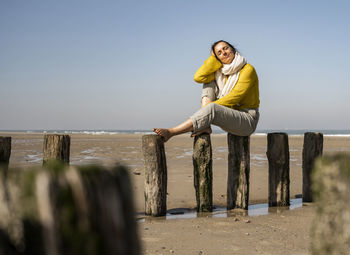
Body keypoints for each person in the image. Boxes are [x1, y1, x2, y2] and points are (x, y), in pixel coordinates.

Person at [153, 40, 260, 142]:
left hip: (247, 120)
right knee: (208, 82)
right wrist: (213, 60)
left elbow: (234, 98)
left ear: (233, 49)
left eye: (226, 48)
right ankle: (205, 124)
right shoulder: (220, 73)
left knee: (212, 108)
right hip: (228, 116)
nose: (224, 53)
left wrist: (207, 110)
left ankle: (171, 132)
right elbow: (199, 77)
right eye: (219, 53)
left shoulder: (248, 69)